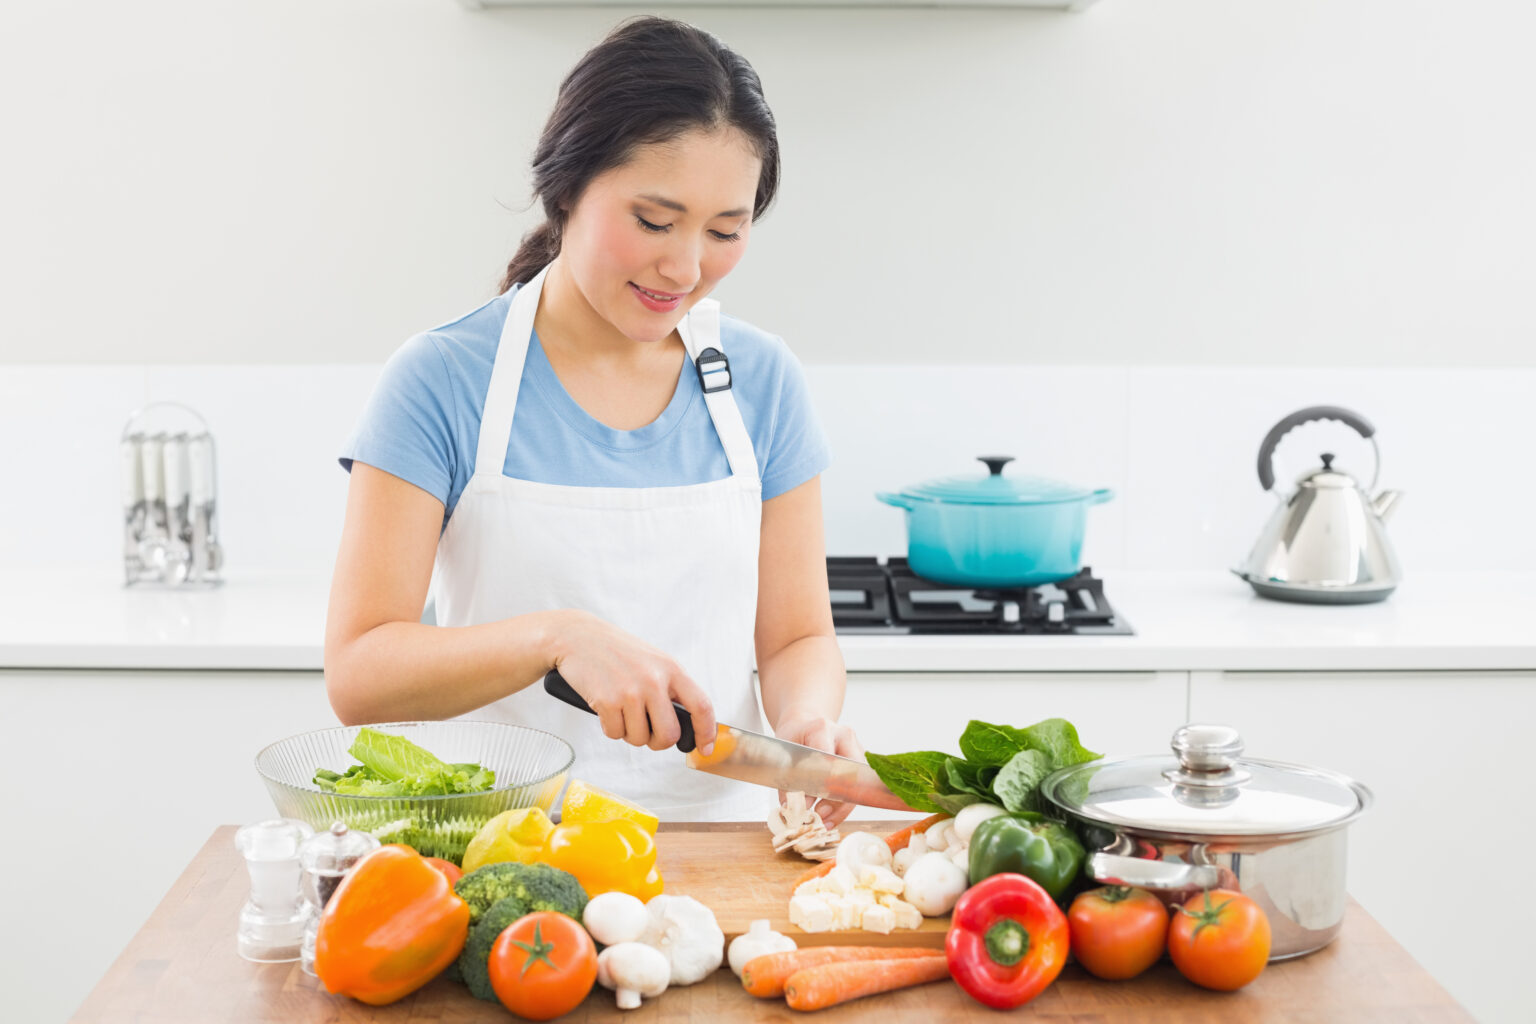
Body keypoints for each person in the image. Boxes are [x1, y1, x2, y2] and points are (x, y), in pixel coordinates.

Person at [324, 16, 859, 826]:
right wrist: (557, 637)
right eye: (653, 221)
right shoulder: (441, 379)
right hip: (508, 861)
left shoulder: (762, 380)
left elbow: (795, 640)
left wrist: (806, 726)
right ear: (568, 187)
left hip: (723, 858)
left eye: (725, 230)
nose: (684, 268)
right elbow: (360, 675)